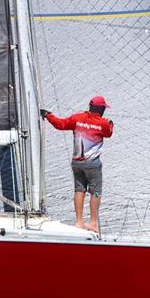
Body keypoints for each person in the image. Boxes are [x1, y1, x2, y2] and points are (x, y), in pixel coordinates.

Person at [40, 96, 114, 234]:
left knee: (79, 190)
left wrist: (48, 115)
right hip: (93, 165)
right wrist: (111, 123)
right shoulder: (103, 123)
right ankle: (93, 223)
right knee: (96, 192)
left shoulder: (77, 118)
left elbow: (59, 124)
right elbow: (108, 133)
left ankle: (79, 222)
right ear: (101, 109)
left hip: (77, 164)